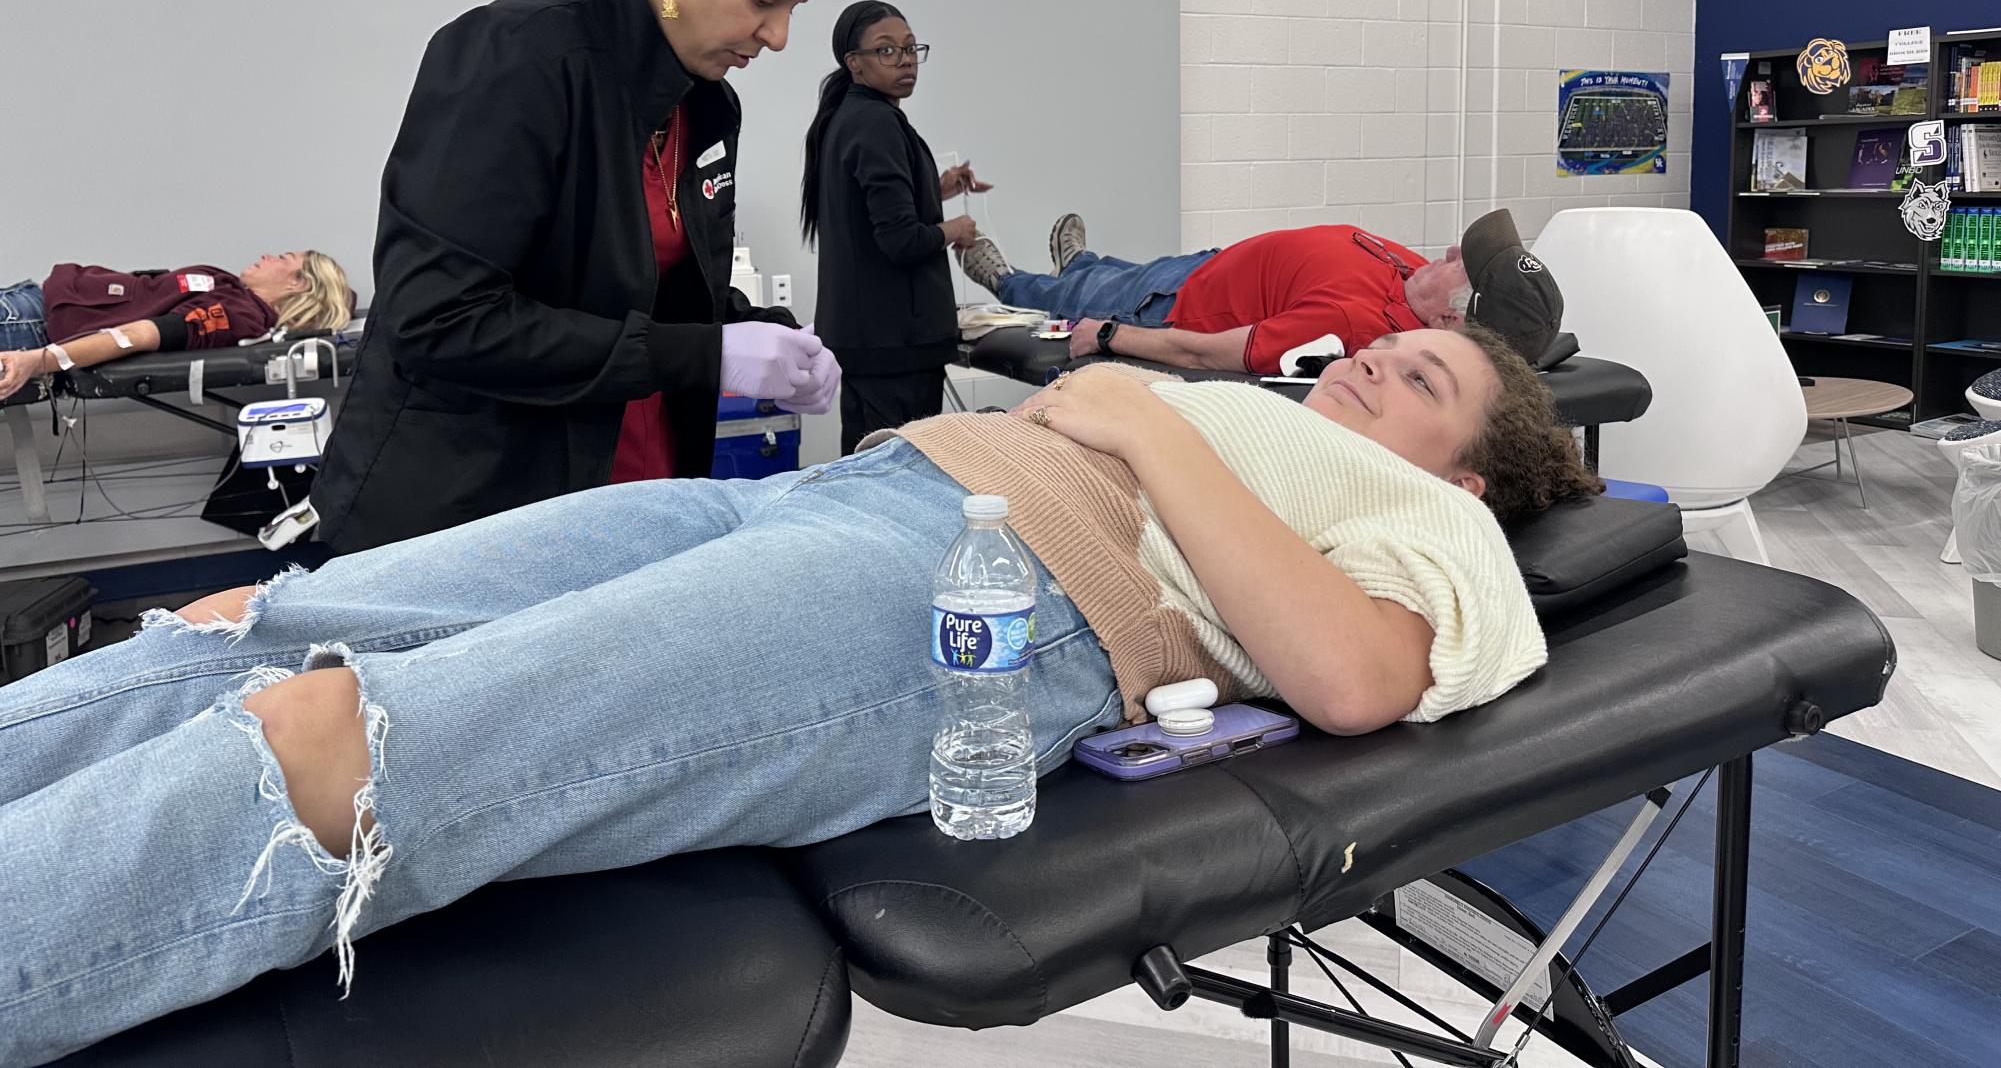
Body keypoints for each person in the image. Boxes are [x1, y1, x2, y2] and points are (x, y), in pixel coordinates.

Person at [0, 321, 1599, 1062]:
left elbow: (1351, 677)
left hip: (996, 595)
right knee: (247, 628)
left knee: (354, 748)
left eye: (1430, 377)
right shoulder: (1276, 406)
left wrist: (1146, 421)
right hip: (826, 499)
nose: (1387, 356)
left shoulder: (1443, 531)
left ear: (1477, 463)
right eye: (1393, 341)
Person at [308, 0, 840, 554]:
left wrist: (768, 333)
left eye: (792, 10)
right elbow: (438, 318)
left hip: (636, 491)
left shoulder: (706, 104)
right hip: (477, 509)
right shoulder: (516, 58)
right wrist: (709, 354)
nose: (776, 36)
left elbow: (653, 292)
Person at [961, 207, 1563, 373]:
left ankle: (1009, 279)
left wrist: (1115, 336)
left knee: (1093, 296)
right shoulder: (1418, 281)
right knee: (1115, 271)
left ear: (1456, 322)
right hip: (1221, 265)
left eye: (1466, 264)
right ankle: (1082, 265)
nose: (1455, 250)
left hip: (1181, 303)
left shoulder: (1355, 333)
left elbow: (1211, 353)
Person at [802, 0, 990, 453]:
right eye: (886, 51)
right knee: (893, 481)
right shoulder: (876, 123)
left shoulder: (850, 116)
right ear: (855, 64)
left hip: (871, 341)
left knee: (867, 471)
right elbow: (901, 240)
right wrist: (957, 228)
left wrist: (937, 188)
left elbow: (870, 211)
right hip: (894, 346)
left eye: (910, 48)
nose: (905, 59)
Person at [0, 252, 353, 402]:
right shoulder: (233, 292)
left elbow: (137, 336)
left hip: (28, 327)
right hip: (25, 305)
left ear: (298, 284)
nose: (268, 256)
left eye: (283, 258)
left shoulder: (236, 314)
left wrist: (39, 360)